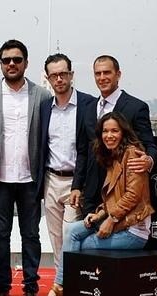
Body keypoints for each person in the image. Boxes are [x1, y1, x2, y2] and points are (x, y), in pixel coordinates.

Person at [40, 111, 155, 296]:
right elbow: (113, 197)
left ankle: (66, 294)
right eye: (105, 131)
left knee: (81, 245)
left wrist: (110, 219)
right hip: (117, 221)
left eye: (114, 131)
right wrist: (100, 213)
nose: (109, 135)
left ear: (123, 133)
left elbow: (132, 196)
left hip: (133, 229)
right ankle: (60, 288)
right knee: (72, 231)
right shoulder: (114, 155)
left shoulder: (133, 155)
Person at [0, 39, 52, 296]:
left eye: (17, 59)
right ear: (0, 63)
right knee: (0, 236)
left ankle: (31, 289)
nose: (11, 64)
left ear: (26, 62)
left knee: (31, 236)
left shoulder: (41, 96)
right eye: (6, 60)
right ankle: (2, 289)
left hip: (29, 178)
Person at [70, 55, 157, 224]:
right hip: (92, 193)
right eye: (98, 74)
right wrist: (76, 186)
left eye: (107, 72)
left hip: (120, 193)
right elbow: (83, 152)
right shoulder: (87, 109)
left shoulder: (136, 107)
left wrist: (149, 161)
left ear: (118, 74)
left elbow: (149, 145)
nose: (102, 78)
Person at [37, 53, 95, 268]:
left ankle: (72, 284)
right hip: (51, 180)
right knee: (55, 237)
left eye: (63, 74)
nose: (59, 79)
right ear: (48, 78)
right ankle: (62, 287)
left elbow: (89, 148)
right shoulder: (44, 107)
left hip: (76, 184)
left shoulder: (89, 104)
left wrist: (80, 184)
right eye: (54, 75)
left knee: (70, 235)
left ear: (71, 75)